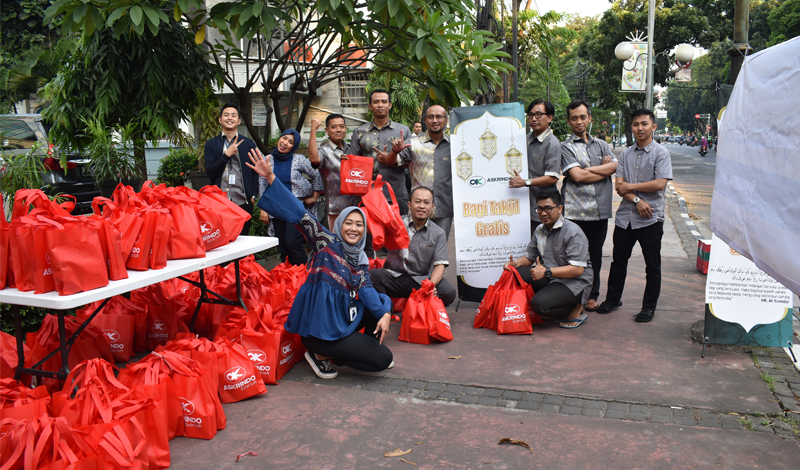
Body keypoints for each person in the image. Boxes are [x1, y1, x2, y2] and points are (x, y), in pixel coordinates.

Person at [246, 148, 393, 379]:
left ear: (364, 230)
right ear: (340, 224)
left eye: (359, 225)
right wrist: (270, 177)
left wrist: (385, 313)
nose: (353, 228)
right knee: (382, 359)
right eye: (349, 223)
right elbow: (299, 213)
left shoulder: (360, 259)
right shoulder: (325, 241)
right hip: (318, 330)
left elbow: (367, 290)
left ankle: (346, 351)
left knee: (379, 307)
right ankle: (318, 354)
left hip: (341, 320)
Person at [595, 109, 673, 323]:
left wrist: (631, 187)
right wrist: (637, 199)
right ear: (632, 127)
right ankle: (612, 300)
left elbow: (660, 183)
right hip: (626, 217)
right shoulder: (626, 155)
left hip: (650, 218)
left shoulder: (661, 153)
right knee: (619, 261)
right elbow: (619, 187)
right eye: (636, 124)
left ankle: (648, 307)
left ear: (653, 127)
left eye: (644, 124)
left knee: (652, 265)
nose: (640, 128)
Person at [503, 187, 593, 329]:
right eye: (539, 209)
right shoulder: (540, 230)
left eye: (548, 208)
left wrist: (546, 272)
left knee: (539, 306)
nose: (543, 213)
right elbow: (530, 257)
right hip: (551, 277)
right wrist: (514, 264)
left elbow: (578, 270)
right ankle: (555, 300)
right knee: (515, 274)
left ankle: (574, 308)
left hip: (575, 282)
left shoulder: (573, 232)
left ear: (560, 208)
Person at [560, 99, 618, 311]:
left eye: (583, 117)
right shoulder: (565, 147)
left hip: (598, 211)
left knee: (595, 255)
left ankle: (592, 294)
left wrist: (587, 170)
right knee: (573, 256)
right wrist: (597, 170)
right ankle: (573, 295)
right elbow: (576, 176)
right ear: (568, 121)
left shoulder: (602, 145)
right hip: (574, 212)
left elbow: (613, 167)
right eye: (574, 118)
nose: (579, 122)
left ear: (589, 119)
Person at [369, 186, 456, 306]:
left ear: (432, 207)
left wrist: (430, 286)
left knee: (448, 292)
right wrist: (376, 198)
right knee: (371, 276)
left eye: (426, 202)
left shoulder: (438, 233)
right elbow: (375, 224)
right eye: (417, 201)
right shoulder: (396, 223)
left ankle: (421, 308)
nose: (422, 206)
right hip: (394, 278)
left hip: (420, 281)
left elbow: (440, 266)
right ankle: (385, 311)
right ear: (409, 204)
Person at [385, 105, 453, 239]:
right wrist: (395, 151)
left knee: (440, 247)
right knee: (417, 248)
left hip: (445, 206)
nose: (435, 120)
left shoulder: (455, 144)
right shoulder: (412, 143)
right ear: (425, 121)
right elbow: (391, 162)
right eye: (431, 117)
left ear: (446, 120)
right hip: (419, 207)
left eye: (439, 117)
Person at [256, 129, 323, 266]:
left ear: (295, 146)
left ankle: (305, 273)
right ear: (279, 138)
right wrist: (264, 208)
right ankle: (287, 276)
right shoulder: (267, 159)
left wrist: (315, 196)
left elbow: (317, 174)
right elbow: (262, 183)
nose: (285, 143)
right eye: (284, 138)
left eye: (290, 142)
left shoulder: (299, 159)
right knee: (282, 245)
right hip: (276, 207)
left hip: (295, 207)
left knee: (292, 241)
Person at [349, 89, 411, 215]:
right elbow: (354, 164)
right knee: (372, 233)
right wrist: (347, 161)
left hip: (396, 193)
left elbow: (410, 163)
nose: (380, 105)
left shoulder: (403, 131)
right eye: (376, 102)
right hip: (368, 194)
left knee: (398, 233)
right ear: (370, 106)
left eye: (384, 101)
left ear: (390, 105)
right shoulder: (359, 132)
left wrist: (391, 159)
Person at [204, 103, 259, 235]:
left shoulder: (248, 143)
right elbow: (211, 172)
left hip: (243, 200)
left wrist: (253, 196)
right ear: (220, 119)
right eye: (226, 115)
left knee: (242, 240)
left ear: (239, 121)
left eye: (233, 115)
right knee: (222, 240)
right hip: (219, 201)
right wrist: (227, 155)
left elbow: (256, 171)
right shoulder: (212, 144)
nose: (230, 118)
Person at [509, 99, 560, 233]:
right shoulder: (525, 139)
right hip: (521, 205)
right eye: (530, 115)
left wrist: (525, 182)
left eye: (538, 115)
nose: (533, 119)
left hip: (542, 208)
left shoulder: (552, 143)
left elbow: (552, 177)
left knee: (542, 247)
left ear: (549, 117)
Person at [308, 114, 359, 229]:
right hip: (336, 209)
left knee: (356, 243)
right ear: (327, 130)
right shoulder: (324, 150)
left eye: (341, 126)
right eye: (334, 127)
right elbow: (314, 159)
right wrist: (313, 130)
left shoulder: (352, 148)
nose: (338, 130)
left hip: (357, 206)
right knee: (337, 244)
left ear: (345, 129)